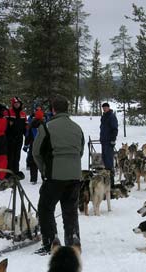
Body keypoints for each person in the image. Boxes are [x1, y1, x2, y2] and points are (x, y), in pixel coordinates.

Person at [33, 95, 84, 255]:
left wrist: (44, 170)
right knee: (70, 209)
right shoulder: (77, 128)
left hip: (54, 175)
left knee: (45, 208)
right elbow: (80, 151)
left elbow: (36, 152)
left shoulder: (47, 127)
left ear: (53, 109)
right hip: (75, 175)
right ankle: (73, 240)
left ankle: (50, 242)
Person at [5, 96, 27, 178]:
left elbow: (25, 126)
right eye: (15, 104)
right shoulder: (8, 112)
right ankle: (8, 172)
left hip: (19, 138)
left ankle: (15, 171)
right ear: (13, 104)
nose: (17, 105)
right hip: (10, 138)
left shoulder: (23, 114)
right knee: (10, 155)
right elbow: (4, 125)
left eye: (18, 103)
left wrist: (26, 134)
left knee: (17, 155)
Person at [24, 107, 45, 184]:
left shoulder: (31, 124)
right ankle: (44, 177)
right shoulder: (45, 124)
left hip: (34, 144)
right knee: (43, 162)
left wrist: (26, 145)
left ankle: (33, 179)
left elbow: (28, 135)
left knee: (33, 162)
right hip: (43, 145)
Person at [99, 102, 118, 185]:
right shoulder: (104, 116)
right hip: (104, 141)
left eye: (106, 107)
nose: (104, 109)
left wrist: (113, 140)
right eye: (103, 108)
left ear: (108, 108)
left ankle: (111, 181)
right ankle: (107, 179)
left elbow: (115, 129)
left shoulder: (111, 116)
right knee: (105, 160)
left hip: (109, 142)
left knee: (109, 161)